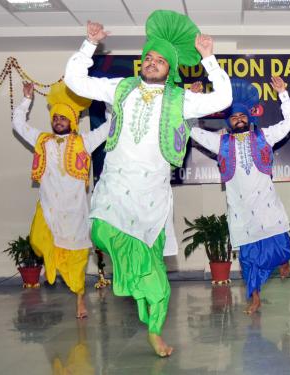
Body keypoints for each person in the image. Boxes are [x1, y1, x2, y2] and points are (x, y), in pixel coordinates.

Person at [64, 10, 232, 356]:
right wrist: (89, 45)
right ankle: (134, 279)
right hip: (114, 189)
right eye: (148, 58)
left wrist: (209, 60)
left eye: (159, 60)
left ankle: (154, 330)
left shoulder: (180, 99)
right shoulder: (120, 87)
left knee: (158, 284)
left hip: (151, 200)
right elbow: (76, 83)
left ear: (170, 69)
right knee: (101, 232)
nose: (152, 62)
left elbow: (222, 100)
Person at [191, 77, 290, 314]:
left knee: (279, 245)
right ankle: (255, 298)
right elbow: (191, 130)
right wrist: (192, 100)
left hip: (266, 205)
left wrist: (283, 94)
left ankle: (282, 261)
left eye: (242, 116)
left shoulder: (264, 136)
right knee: (248, 258)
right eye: (234, 117)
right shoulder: (221, 143)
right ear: (229, 122)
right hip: (240, 210)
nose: (238, 119)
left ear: (249, 119)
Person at [12, 81, 109, 319]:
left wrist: (109, 101)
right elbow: (18, 124)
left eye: (63, 119)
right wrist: (26, 100)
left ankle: (79, 299)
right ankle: (53, 264)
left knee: (76, 258)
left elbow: (109, 128)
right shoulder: (42, 140)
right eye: (55, 118)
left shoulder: (84, 142)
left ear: (72, 122)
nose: (58, 121)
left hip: (74, 212)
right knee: (37, 238)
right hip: (48, 209)